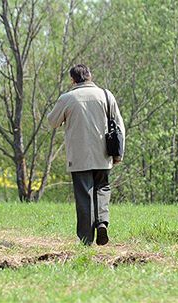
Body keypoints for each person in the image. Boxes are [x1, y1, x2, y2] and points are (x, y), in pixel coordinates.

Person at [47, 64, 125, 245]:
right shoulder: (106, 95)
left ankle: (86, 239)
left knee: (84, 195)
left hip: (79, 155)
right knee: (102, 188)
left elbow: (52, 122)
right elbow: (119, 126)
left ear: (72, 80)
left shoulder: (67, 98)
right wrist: (118, 154)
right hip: (103, 153)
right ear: (90, 76)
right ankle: (102, 223)